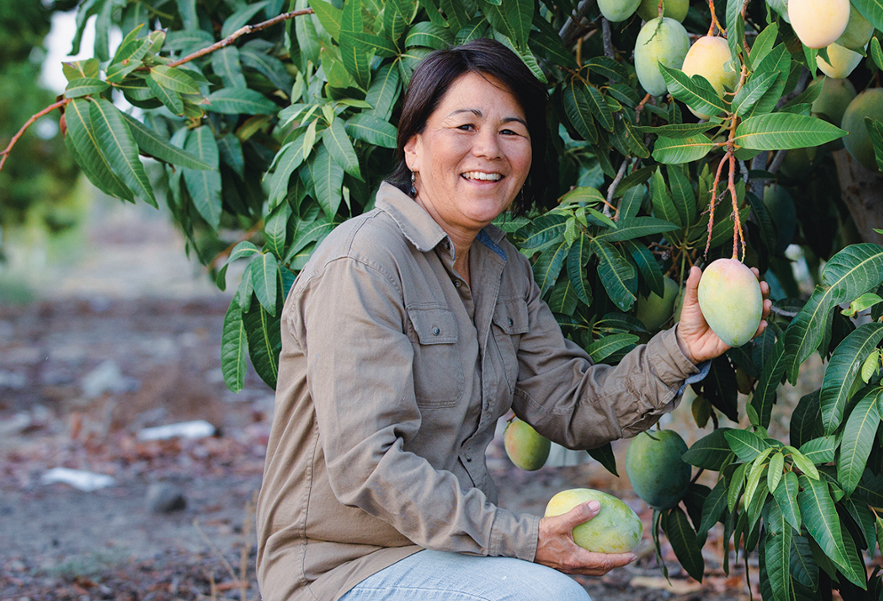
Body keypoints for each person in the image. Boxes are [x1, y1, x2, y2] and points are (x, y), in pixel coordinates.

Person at [253, 38, 771, 601]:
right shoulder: (364, 264)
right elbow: (366, 465)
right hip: (339, 571)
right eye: (464, 127)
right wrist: (522, 540)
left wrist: (683, 348)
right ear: (413, 148)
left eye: (510, 131)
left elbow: (571, 404)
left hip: (444, 553)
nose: (489, 150)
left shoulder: (501, 267)